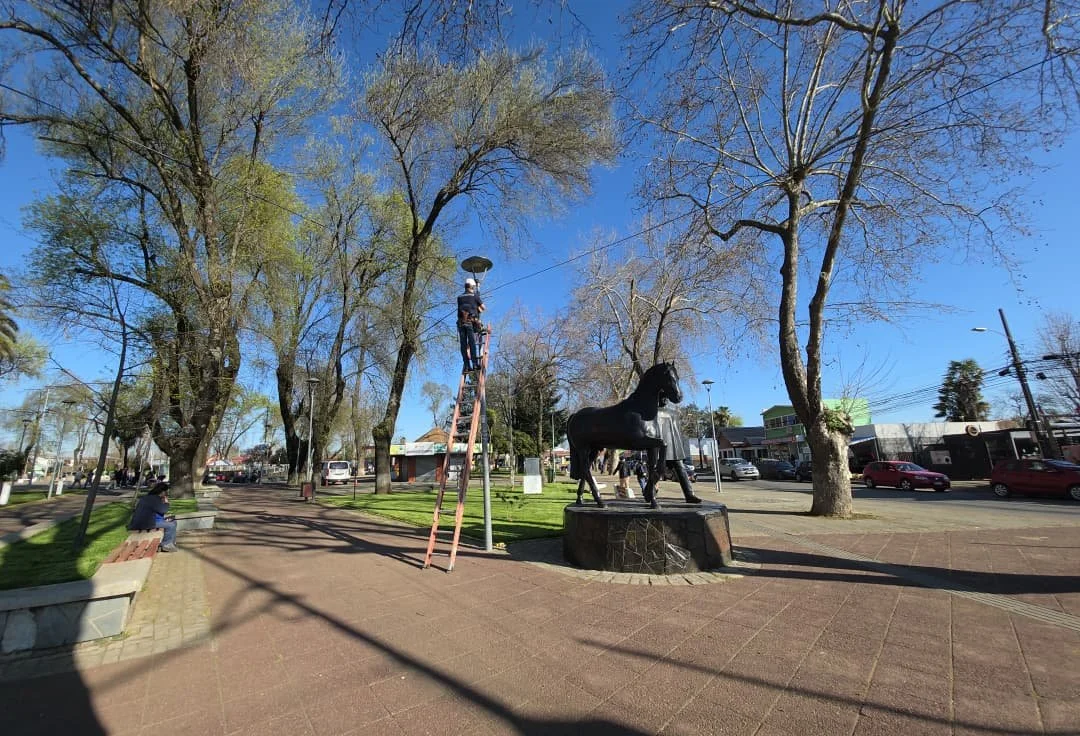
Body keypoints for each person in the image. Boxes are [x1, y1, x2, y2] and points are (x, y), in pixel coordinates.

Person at [129, 481, 178, 552]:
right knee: (171, 525)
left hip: (144, 521)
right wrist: (167, 503)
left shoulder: (149, 497)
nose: (166, 494)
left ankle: (171, 543)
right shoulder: (155, 499)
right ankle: (166, 544)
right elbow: (163, 510)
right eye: (166, 492)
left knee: (173, 522)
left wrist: (164, 518)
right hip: (145, 523)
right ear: (162, 492)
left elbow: (156, 511)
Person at [456, 277, 485, 373]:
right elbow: (483, 308)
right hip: (470, 323)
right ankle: (475, 364)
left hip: (460, 323)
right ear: (472, 286)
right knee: (472, 344)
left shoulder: (459, 297)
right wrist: (477, 308)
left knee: (463, 345)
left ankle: (467, 366)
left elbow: (464, 305)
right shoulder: (475, 296)